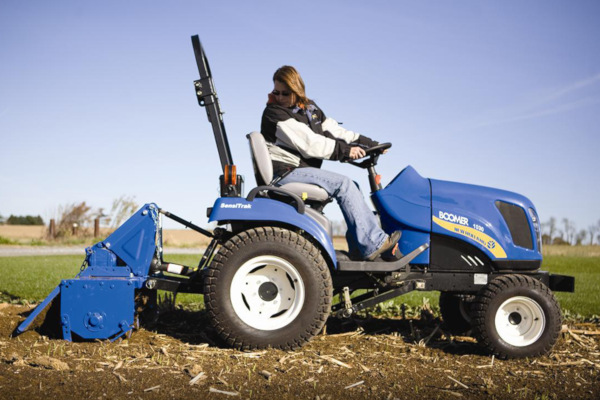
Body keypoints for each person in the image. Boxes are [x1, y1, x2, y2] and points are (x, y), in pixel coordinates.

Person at [260, 65, 400, 261]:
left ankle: (360, 250)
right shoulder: (274, 113)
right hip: (286, 172)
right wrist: (345, 151)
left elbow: (337, 132)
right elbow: (310, 143)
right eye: (277, 92)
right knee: (344, 184)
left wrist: (370, 144)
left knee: (353, 186)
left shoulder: (311, 111)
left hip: (302, 170)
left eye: (286, 93)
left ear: (297, 91)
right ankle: (374, 243)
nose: (280, 97)